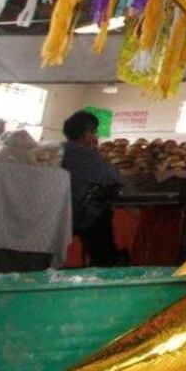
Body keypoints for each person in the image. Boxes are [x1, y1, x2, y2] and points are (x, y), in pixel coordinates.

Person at [60, 110, 125, 267]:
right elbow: (115, 178)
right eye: (94, 132)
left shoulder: (59, 149)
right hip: (78, 215)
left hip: (60, 212)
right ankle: (105, 269)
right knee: (101, 217)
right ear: (87, 134)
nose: (96, 137)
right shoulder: (83, 154)